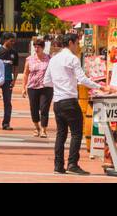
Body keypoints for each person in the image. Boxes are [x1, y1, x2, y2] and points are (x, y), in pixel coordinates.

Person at [45, 32, 104, 175]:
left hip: (58, 101)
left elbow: (46, 81)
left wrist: (59, 85)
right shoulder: (72, 58)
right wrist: (99, 86)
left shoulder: (53, 59)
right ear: (70, 43)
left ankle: (58, 165)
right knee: (77, 133)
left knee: (61, 134)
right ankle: (72, 163)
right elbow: (82, 79)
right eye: (77, 43)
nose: (78, 47)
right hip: (69, 101)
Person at [23, 37, 53, 138]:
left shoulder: (49, 58)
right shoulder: (29, 59)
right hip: (32, 87)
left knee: (44, 108)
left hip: (46, 87)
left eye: (38, 47)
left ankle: (44, 129)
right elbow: (26, 73)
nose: (36, 49)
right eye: (35, 47)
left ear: (43, 48)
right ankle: (36, 127)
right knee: (33, 108)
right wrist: (24, 87)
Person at [0, 34, 18, 130]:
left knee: (7, 102)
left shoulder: (14, 53)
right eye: (11, 41)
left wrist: (14, 81)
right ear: (5, 40)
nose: (13, 43)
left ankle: (6, 123)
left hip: (8, 80)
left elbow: (15, 68)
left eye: (14, 41)